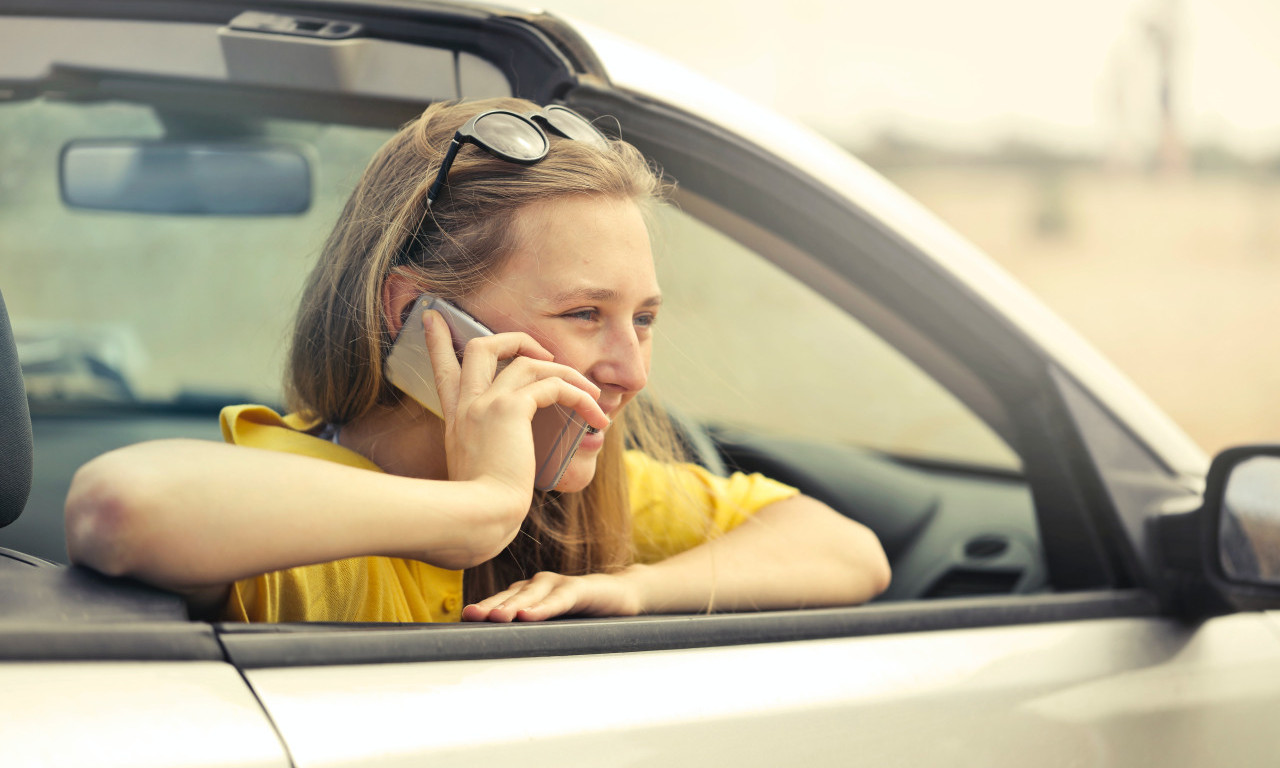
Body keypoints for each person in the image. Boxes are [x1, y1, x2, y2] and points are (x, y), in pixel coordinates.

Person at [64, 98, 890, 623]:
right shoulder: (290, 493)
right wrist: (481, 508)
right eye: (583, 314)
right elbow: (120, 509)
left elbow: (851, 552)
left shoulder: (578, 493)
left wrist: (635, 589)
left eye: (642, 318)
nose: (632, 371)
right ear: (415, 314)